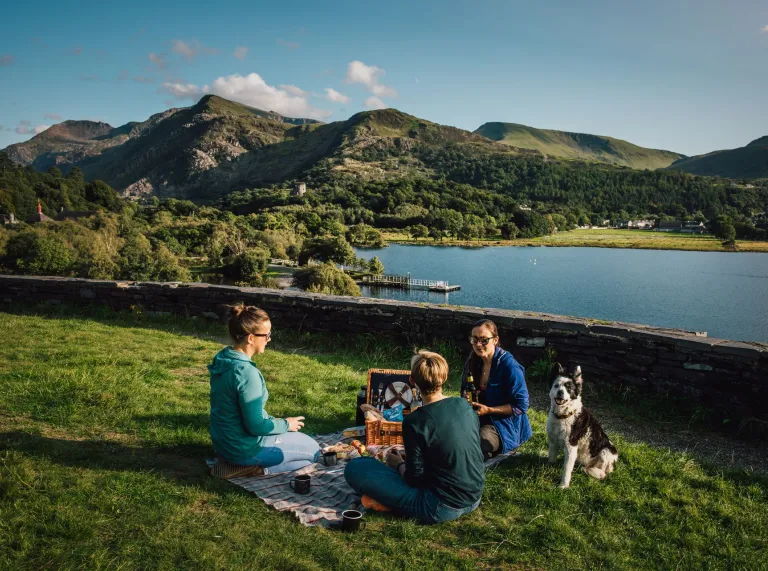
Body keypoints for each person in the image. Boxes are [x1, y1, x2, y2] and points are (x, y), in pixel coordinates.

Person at [344, 350, 485, 524]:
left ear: (412, 381)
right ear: (445, 377)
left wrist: (399, 465)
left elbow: (414, 479)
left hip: (439, 507)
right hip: (474, 496)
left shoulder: (415, 421)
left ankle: (386, 502)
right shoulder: (463, 405)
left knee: (356, 467)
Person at [208, 303, 320, 474]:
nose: (269, 339)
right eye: (266, 335)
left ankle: (236, 462)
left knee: (302, 441)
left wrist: (279, 424)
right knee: (313, 452)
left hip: (224, 443)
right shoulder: (246, 373)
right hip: (244, 449)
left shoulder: (223, 359)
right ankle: (254, 469)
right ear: (251, 338)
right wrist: (285, 424)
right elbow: (256, 427)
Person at [462, 319, 532, 459]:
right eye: (474, 339)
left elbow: (521, 406)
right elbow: (463, 390)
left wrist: (489, 410)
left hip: (503, 425)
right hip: (477, 417)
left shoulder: (509, 367)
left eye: (484, 340)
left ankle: (485, 450)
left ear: (495, 340)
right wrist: (465, 396)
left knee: (477, 442)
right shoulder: (473, 361)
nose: (478, 344)